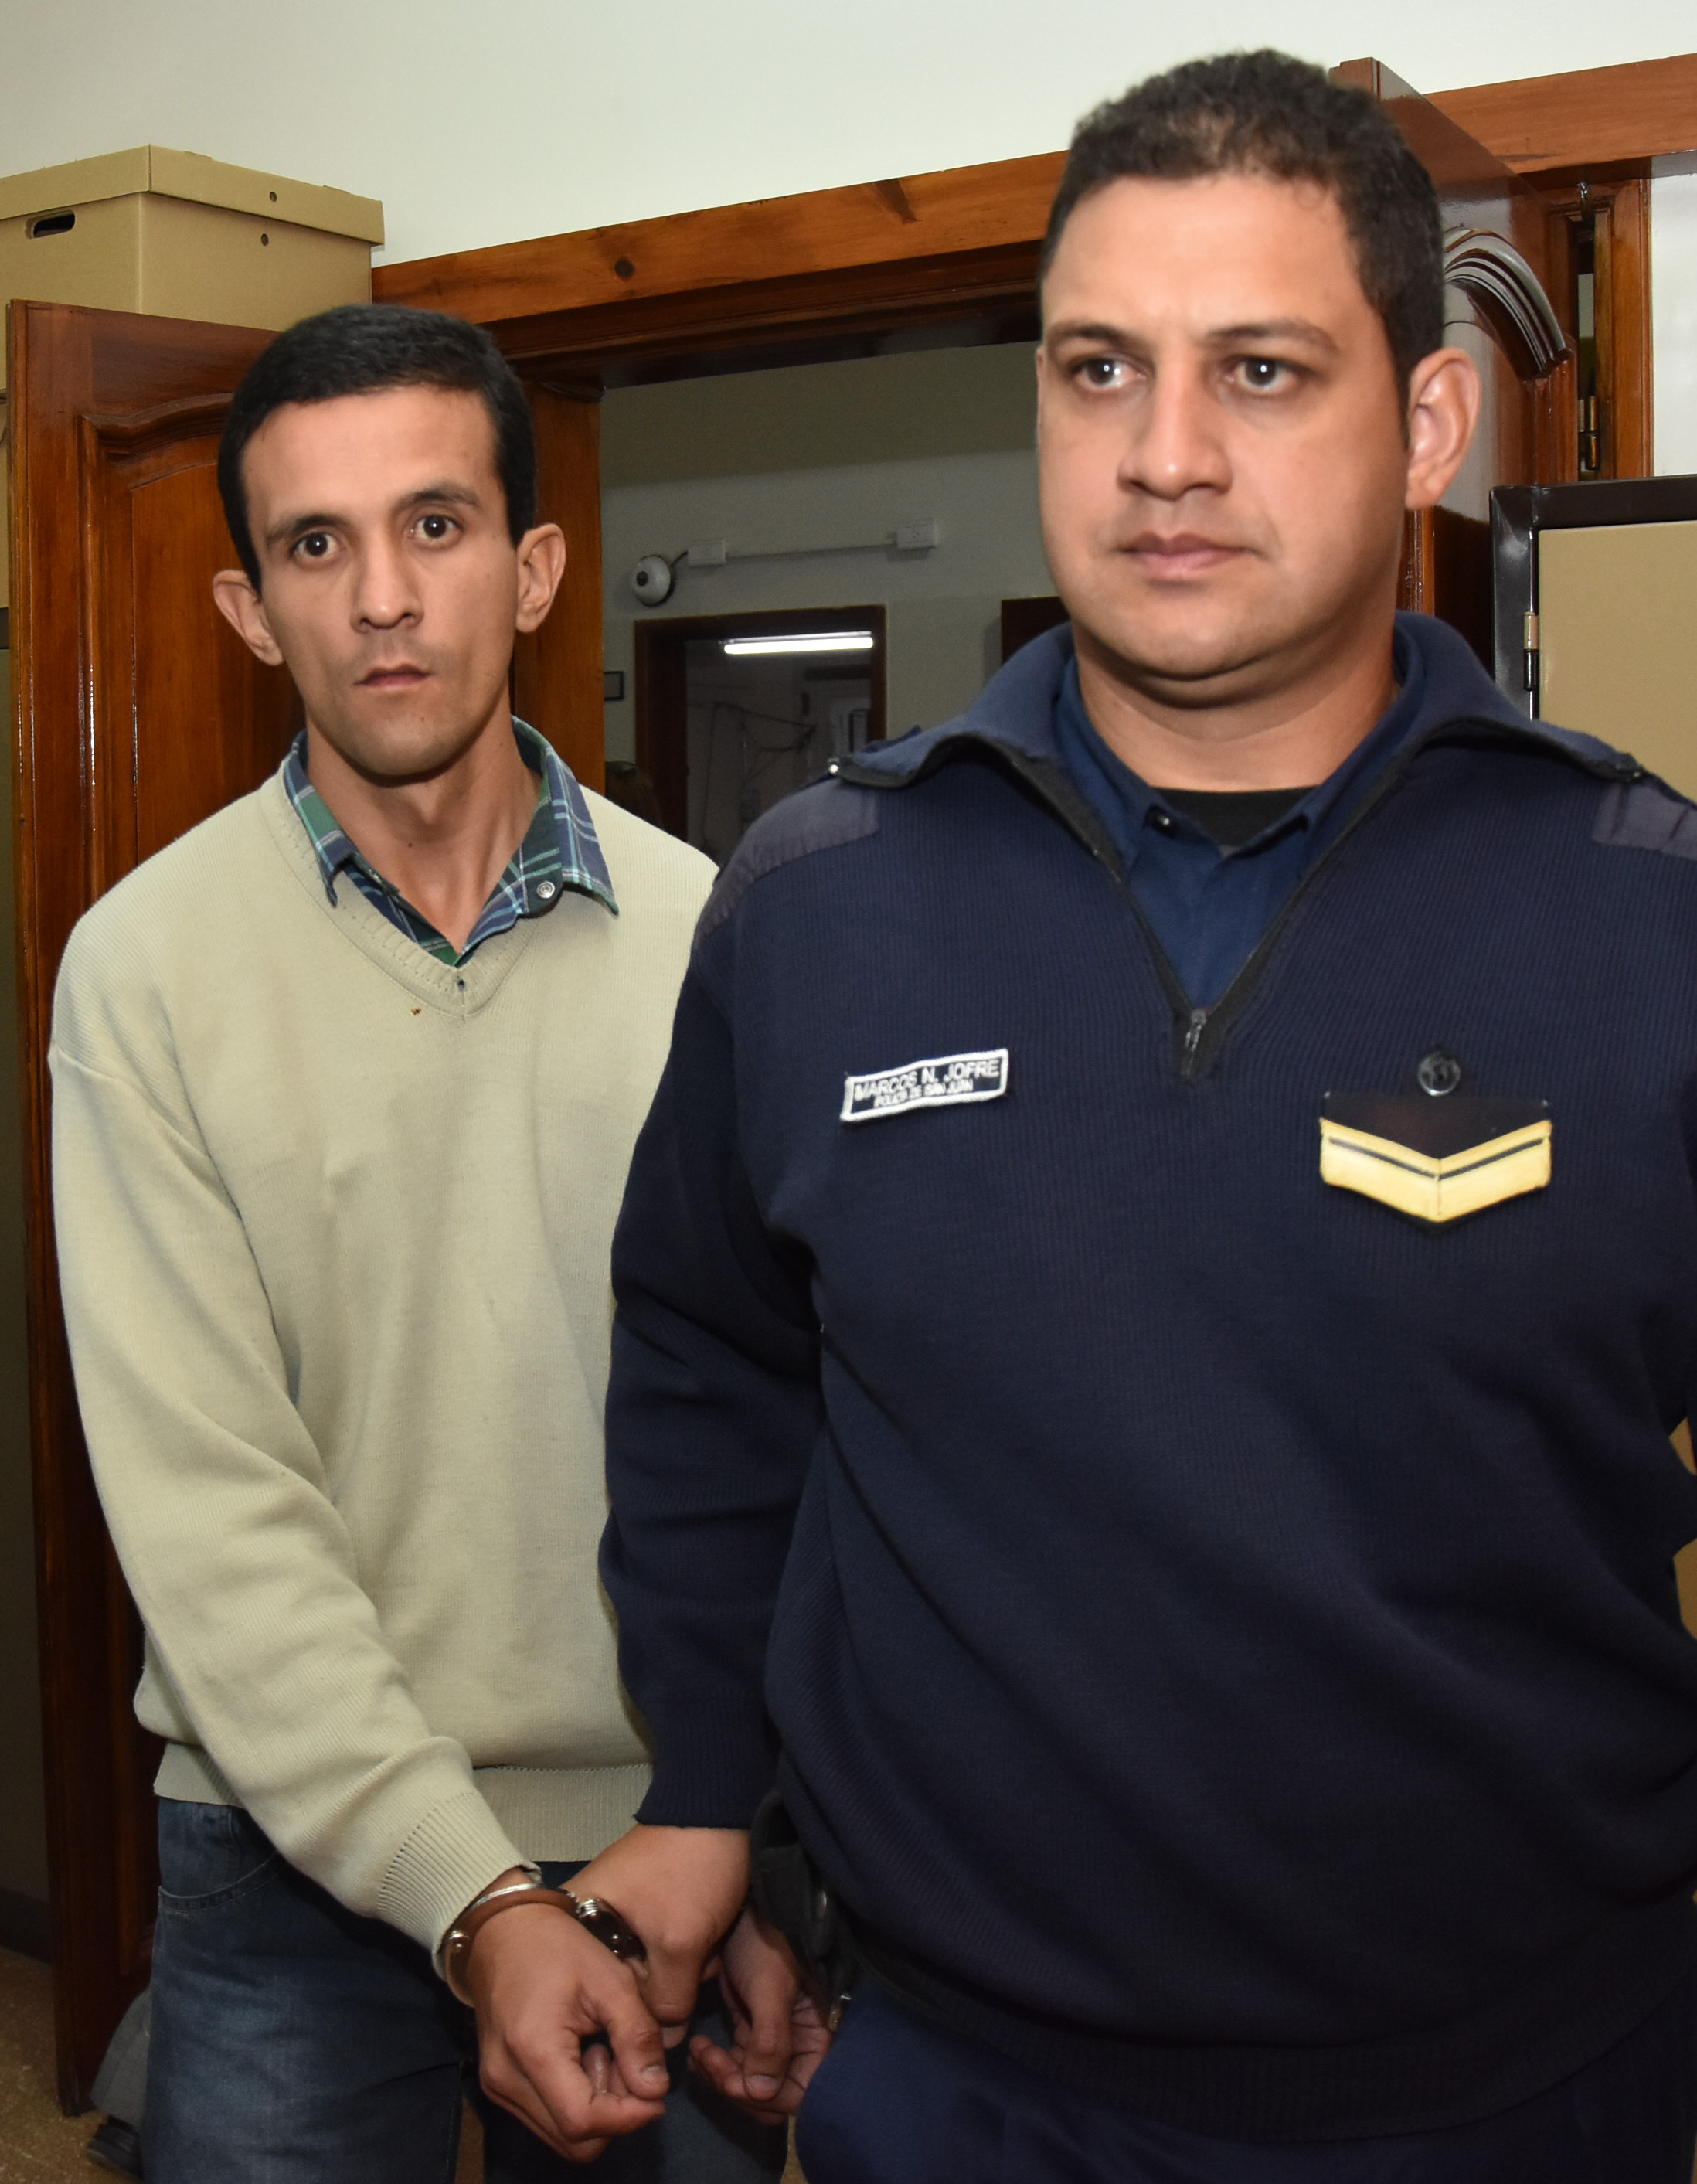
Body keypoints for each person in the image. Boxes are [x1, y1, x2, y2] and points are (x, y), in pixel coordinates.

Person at [587, 49, 1697, 2184]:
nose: (1164, 454)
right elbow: (712, 1375)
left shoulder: (1640, 913)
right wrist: (710, 1793)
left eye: (1260, 372)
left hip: (1521, 2089)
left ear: (1430, 425)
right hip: (958, 2086)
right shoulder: (818, 903)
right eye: (1099, 369)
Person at [49, 303, 785, 2182]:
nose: (382, 596)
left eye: (435, 525)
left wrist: (755, 1829)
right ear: (249, 611)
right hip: (289, 1841)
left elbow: (786, 1436)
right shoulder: (144, 973)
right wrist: (471, 1896)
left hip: (657, 1837)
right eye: (317, 544)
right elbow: (212, 1513)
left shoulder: (718, 939)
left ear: (533, 569)